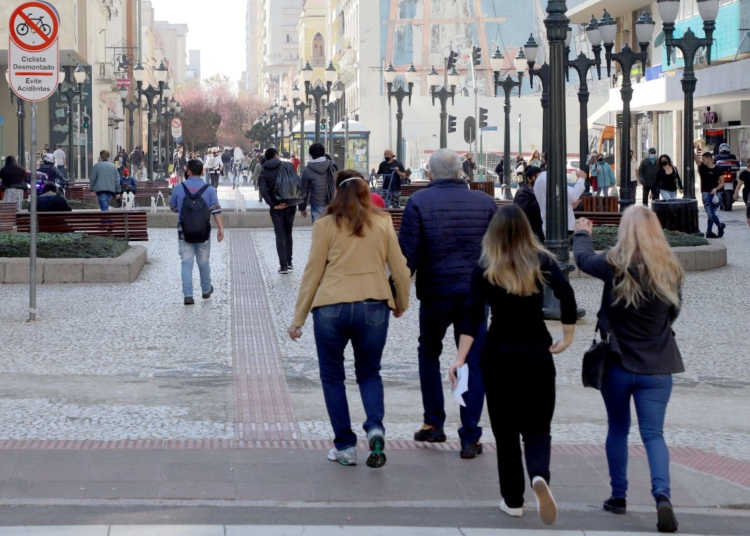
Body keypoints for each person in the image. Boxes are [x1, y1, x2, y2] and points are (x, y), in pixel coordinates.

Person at [449, 204, 576, 526]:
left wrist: (460, 359)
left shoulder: (484, 267)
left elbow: (473, 315)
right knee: (537, 427)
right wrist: (568, 335)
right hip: (537, 351)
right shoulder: (542, 260)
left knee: (505, 433)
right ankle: (538, 474)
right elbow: (567, 294)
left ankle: (513, 500)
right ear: (525, 230)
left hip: (498, 355)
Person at [572, 206, 685, 534]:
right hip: (658, 365)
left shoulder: (614, 264)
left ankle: (618, 496)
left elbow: (582, 259)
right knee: (654, 435)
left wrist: (582, 232)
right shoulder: (671, 269)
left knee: (618, 429)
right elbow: (673, 313)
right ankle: (662, 495)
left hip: (619, 363)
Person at [288, 170, 410, 468]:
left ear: (336, 194)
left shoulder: (324, 225)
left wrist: (298, 319)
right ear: (366, 194)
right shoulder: (382, 223)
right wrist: (400, 303)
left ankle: (344, 446)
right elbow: (401, 268)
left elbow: (312, 273)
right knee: (369, 372)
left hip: (331, 306)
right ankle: (375, 427)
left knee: (332, 377)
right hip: (373, 306)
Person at [398, 148, 496, 459]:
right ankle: (470, 435)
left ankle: (433, 422)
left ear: (430, 174)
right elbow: (496, 253)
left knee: (429, 351)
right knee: (472, 361)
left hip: (436, 292)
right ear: (460, 172)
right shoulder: (484, 203)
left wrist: (395, 295)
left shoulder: (418, 202)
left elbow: (407, 256)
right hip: (474, 296)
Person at [169, 158, 225, 305]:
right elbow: (215, 209)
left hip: (184, 229)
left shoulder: (179, 188)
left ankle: (188, 295)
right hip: (203, 229)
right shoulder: (210, 189)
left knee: (186, 262)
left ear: (188, 171)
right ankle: (206, 290)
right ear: (202, 171)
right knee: (204, 261)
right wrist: (221, 228)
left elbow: (173, 207)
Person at [259, 147, 305, 273]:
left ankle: (283, 266)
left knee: (279, 235)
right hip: (290, 204)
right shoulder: (287, 165)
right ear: (277, 155)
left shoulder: (264, 171)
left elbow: (263, 191)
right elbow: (296, 182)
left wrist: (273, 204)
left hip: (277, 207)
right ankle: (289, 262)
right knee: (288, 233)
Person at [534, 169, 586, 236]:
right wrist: (581, 179)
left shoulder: (541, 179)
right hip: (562, 226)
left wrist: (569, 205)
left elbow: (553, 201)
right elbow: (573, 194)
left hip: (550, 225)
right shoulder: (550, 178)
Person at [301, 142, 338, 223]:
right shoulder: (332, 166)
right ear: (323, 152)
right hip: (333, 202)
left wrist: (302, 208)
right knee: (332, 228)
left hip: (316, 202)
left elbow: (304, 189)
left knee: (318, 228)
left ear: (311, 154)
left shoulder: (307, 170)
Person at [693, 151, 726, 238]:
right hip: (706, 194)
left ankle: (709, 232)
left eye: (704, 159)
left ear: (710, 159)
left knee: (711, 213)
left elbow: (722, 182)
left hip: (716, 194)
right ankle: (720, 225)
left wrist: (716, 188)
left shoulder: (719, 169)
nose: (702, 161)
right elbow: (696, 159)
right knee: (710, 213)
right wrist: (692, 149)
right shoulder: (702, 167)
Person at [513, 165, 544, 242]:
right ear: (529, 179)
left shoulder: (541, 191)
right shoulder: (522, 193)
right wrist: (540, 198)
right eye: (536, 177)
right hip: (530, 232)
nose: (540, 180)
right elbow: (525, 211)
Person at [733, 159, 750, 226]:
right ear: (748, 164)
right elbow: (739, 184)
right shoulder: (744, 173)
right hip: (747, 194)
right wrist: (735, 193)